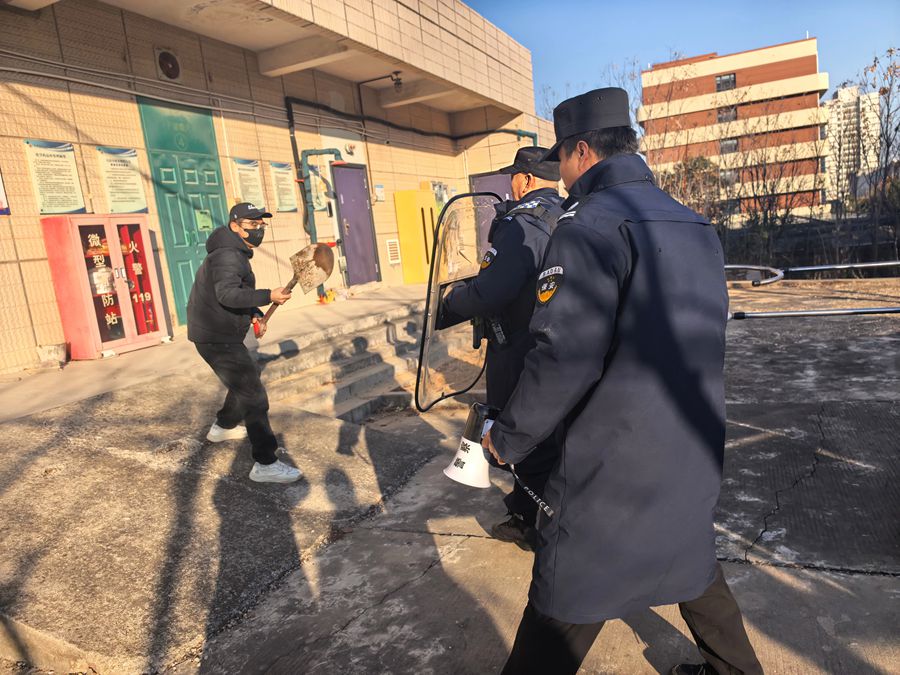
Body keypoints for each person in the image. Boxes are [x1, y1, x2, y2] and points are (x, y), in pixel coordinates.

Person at [482, 88, 763, 674]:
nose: (560, 174)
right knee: (688, 556)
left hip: (611, 462)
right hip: (690, 443)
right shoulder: (693, 223)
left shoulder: (587, 226)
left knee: (567, 593)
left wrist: (506, 438)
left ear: (582, 151)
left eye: (561, 158)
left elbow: (562, 355)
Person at [436, 146, 565, 551]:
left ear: (525, 180)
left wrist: (450, 302)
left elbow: (490, 290)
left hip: (518, 345)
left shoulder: (521, 222)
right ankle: (534, 513)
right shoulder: (567, 214)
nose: (512, 183)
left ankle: (535, 524)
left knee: (519, 431)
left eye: (514, 176)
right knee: (552, 432)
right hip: (557, 344)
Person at [187, 202, 301, 484]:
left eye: (261, 224)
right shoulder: (228, 255)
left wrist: (255, 313)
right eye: (251, 224)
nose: (258, 229)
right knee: (254, 395)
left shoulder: (233, 251)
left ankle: (223, 426)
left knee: (245, 380)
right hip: (216, 336)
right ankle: (265, 464)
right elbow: (227, 294)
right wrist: (268, 295)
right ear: (235, 226)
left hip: (216, 333)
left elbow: (237, 294)